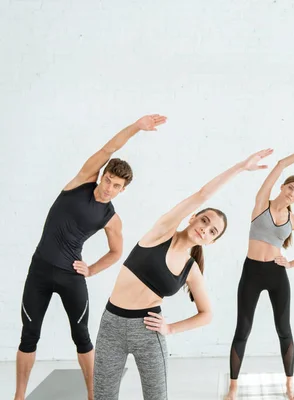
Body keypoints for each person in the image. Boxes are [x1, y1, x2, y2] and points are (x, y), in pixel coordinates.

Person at [93, 149, 273, 400]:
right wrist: (241, 167)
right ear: (193, 218)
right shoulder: (162, 232)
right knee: (102, 396)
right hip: (111, 323)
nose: (205, 230)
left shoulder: (192, 270)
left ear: (211, 242)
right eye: (205, 221)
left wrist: (171, 329)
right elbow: (202, 194)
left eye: (212, 232)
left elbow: (206, 314)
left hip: (147, 330)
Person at [15, 114, 166, 400]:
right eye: (108, 180)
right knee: (29, 334)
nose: (109, 188)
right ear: (103, 175)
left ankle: (92, 395)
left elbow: (117, 252)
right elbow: (108, 149)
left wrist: (92, 270)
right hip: (39, 271)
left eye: (116, 186)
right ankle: (19, 396)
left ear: (123, 190)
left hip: (72, 278)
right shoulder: (82, 181)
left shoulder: (111, 219)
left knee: (82, 338)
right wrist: (136, 127)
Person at [225, 144, 294, 400]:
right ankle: (233, 387)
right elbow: (280, 164)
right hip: (251, 272)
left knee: (283, 329)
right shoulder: (261, 203)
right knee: (243, 329)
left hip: (277, 276)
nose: (292, 194)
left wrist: (290, 264)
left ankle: (289, 385)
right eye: (291, 188)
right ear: (282, 187)